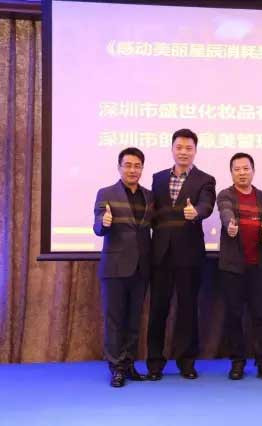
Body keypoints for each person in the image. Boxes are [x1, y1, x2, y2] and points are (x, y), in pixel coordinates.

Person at [146, 128, 216, 381]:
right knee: (158, 309)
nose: (183, 152)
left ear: (195, 151)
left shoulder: (205, 180)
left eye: (188, 148)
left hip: (189, 254)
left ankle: (187, 362)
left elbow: (207, 204)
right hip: (160, 254)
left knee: (187, 309)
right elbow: (152, 212)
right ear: (172, 149)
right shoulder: (157, 178)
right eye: (179, 147)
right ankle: (155, 363)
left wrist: (196, 212)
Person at [93, 147, 154, 387]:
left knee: (134, 320)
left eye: (137, 166)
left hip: (141, 268)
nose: (132, 170)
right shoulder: (106, 193)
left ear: (142, 168)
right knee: (115, 320)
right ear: (119, 167)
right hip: (115, 268)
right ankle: (116, 368)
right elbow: (98, 227)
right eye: (127, 165)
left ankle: (129, 365)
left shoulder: (149, 196)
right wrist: (104, 222)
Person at [216, 153, 262, 382]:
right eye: (237, 169)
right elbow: (226, 212)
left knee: (261, 315)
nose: (242, 173)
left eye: (246, 168)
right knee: (234, 316)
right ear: (231, 172)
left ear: (253, 171)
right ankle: (237, 363)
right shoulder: (225, 195)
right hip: (233, 267)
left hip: (259, 266)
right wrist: (230, 225)